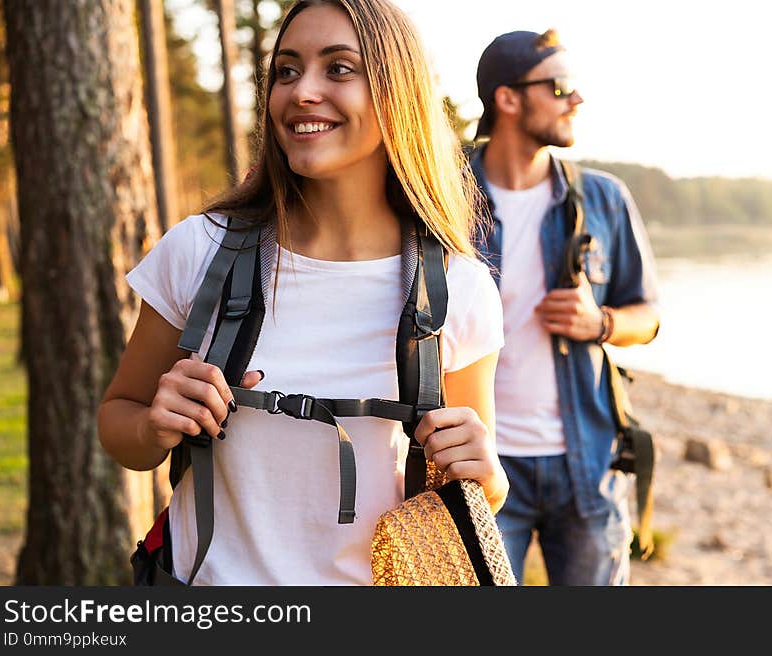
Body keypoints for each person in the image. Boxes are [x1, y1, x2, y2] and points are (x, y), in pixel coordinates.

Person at [97, 0, 507, 586]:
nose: (302, 92)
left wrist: (487, 476)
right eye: (286, 71)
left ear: (398, 93)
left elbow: (476, 495)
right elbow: (120, 425)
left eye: (339, 68)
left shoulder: (459, 290)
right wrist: (153, 425)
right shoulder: (199, 251)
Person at [469, 29, 660, 585]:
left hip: (588, 465)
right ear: (507, 98)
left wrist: (599, 322)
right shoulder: (438, 193)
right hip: (477, 468)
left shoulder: (605, 198)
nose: (577, 99)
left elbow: (647, 317)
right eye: (561, 86)